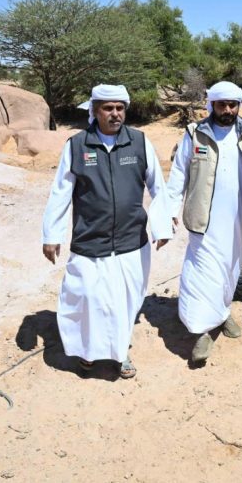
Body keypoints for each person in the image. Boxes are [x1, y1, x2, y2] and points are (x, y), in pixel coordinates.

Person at [41, 84, 172, 379]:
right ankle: (88, 352)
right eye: (107, 108)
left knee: (125, 300)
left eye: (119, 108)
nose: (115, 114)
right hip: (90, 239)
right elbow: (60, 192)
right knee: (86, 296)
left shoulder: (139, 142)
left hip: (131, 240)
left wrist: (162, 225)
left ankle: (120, 353)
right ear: (94, 111)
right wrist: (51, 234)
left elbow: (158, 187)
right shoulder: (77, 145)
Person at [166, 80, 242, 364]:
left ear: (239, 106)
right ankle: (200, 329)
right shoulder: (194, 134)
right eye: (221, 104)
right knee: (202, 271)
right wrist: (169, 210)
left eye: (232, 104)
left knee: (230, 268)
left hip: (238, 217)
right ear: (210, 105)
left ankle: (222, 314)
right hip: (203, 218)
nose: (227, 110)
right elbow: (178, 176)